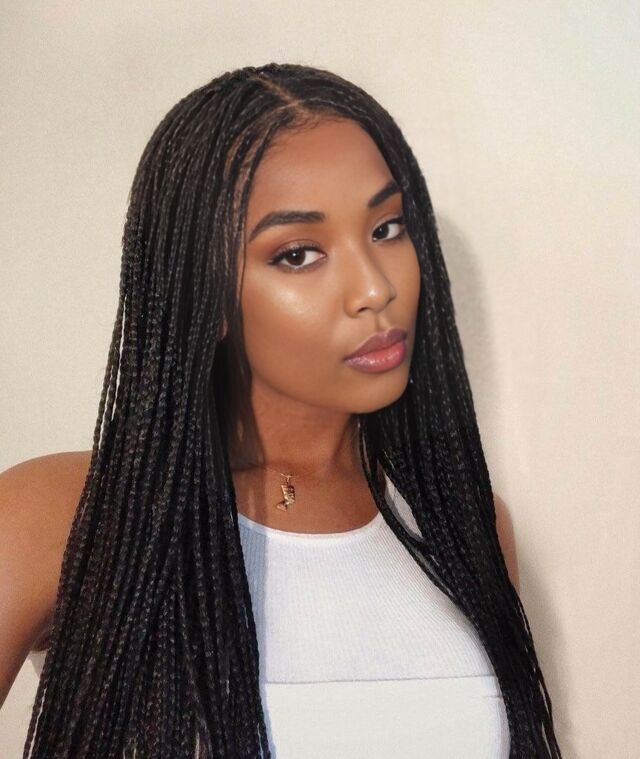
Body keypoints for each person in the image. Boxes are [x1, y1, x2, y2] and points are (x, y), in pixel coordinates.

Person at [0, 63, 562, 757]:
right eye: (298, 254)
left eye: (387, 227)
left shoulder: (465, 521)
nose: (373, 288)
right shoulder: (61, 513)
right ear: (201, 291)